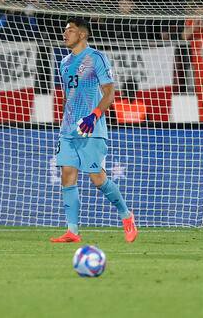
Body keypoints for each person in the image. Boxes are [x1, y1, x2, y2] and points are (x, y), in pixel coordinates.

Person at [50, 17, 138, 244]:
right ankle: (72, 231)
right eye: (64, 29)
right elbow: (67, 96)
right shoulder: (64, 63)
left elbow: (109, 92)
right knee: (67, 174)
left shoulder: (96, 58)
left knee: (97, 178)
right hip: (69, 129)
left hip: (92, 127)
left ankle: (126, 216)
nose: (65, 33)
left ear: (82, 34)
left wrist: (94, 115)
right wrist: (64, 120)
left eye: (70, 30)